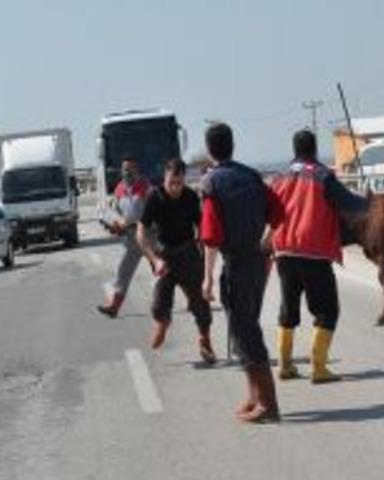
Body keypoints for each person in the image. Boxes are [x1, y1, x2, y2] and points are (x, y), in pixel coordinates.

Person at [200, 122, 284, 423]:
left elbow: (210, 237)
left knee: (246, 333)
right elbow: (279, 213)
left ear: (209, 150)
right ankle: (253, 397)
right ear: (232, 146)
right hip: (258, 262)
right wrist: (266, 240)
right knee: (245, 328)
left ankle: (269, 404)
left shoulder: (211, 184)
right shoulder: (251, 175)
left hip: (236, 264)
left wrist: (208, 278)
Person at [269, 129, 368, 383]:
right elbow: (350, 204)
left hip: (284, 251)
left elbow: (269, 211)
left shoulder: (279, 177)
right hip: (313, 252)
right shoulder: (323, 176)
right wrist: (368, 200)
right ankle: (319, 367)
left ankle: (285, 365)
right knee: (326, 310)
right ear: (314, 149)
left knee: (288, 308)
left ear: (295, 151)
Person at [136, 158, 217, 365]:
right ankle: (163, 323)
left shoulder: (190, 197)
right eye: (171, 182)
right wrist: (154, 259)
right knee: (159, 303)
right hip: (164, 255)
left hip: (188, 252)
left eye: (179, 183)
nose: (174, 187)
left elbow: (202, 228)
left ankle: (204, 340)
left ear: (184, 180)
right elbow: (141, 232)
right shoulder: (155, 196)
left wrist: (203, 249)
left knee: (200, 303)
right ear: (165, 178)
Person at [97, 156, 152, 317]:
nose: (128, 172)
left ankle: (193, 298)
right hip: (131, 238)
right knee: (123, 272)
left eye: (131, 168)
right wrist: (114, 224)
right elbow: (115, 211)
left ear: (137, 170)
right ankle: (114, 307)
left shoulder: (146, 187)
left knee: (163, 268)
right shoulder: (119, 189)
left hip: (150, 235)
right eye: (125, 168)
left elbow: (155, 210)